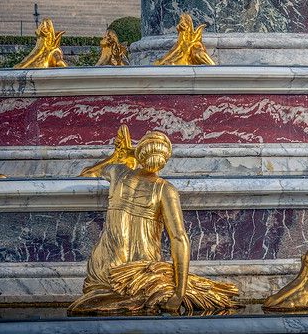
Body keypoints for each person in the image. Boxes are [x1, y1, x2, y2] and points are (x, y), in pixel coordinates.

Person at [68, 126, 238, 315]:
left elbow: (87, 173)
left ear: (139, 153)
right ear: (164, 161)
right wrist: (179, 293)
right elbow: (179, 238)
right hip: (142, 278)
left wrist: (121, 155)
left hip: (105, 271)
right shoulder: (165, 189)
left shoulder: (118, 172)